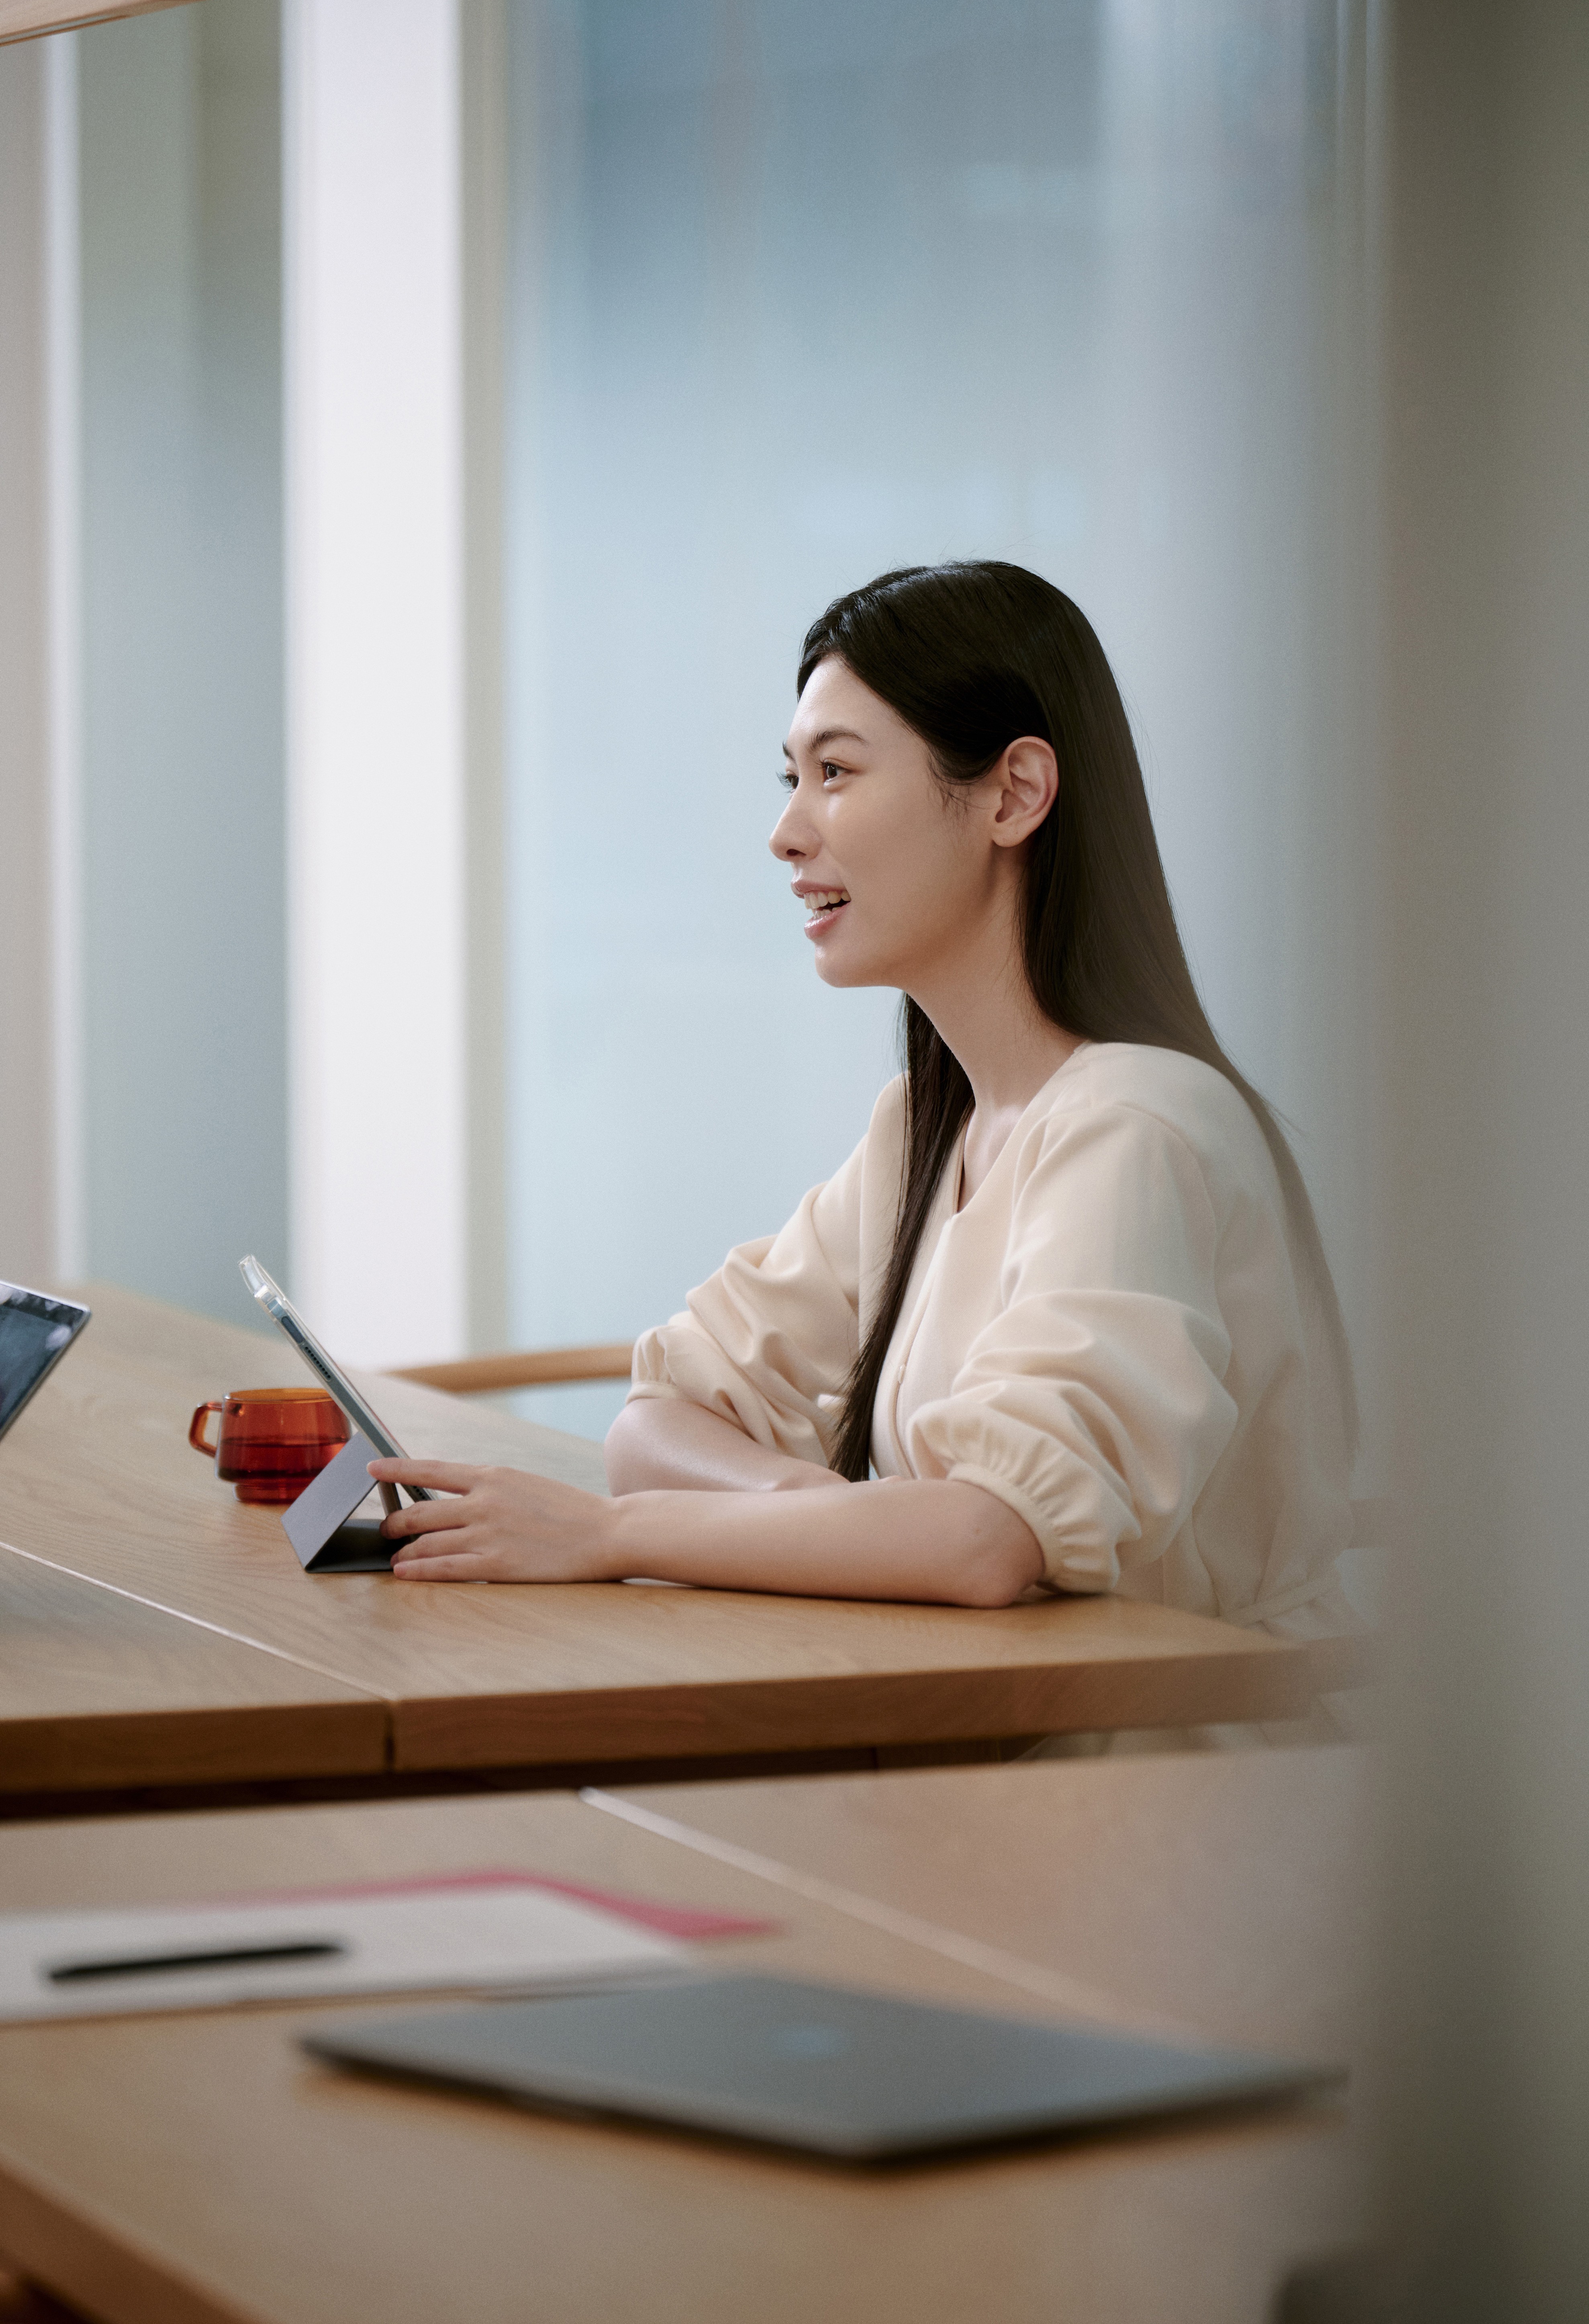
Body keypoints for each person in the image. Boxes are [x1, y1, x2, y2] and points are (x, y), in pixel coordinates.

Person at [372, 561, 1357, 1637]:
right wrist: (836, 1517)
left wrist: (613, 1536)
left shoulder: (1135, 1123)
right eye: (789, 778)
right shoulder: (923, 1129)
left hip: (1165, 1783)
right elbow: (658, 1422)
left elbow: (985, 1541)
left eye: (834, 772)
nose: (786, 834)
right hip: (966, 1739)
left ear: (1014, 794)